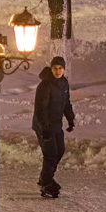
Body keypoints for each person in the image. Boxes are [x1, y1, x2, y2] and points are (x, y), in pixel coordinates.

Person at [33, 56, 75, 198]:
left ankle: (45, 178)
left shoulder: (64, 83)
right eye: (55, 68)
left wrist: (70, 119)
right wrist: (44, 129)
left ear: (64, 69)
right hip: (44, 125)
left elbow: (66, 103)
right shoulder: (45, 85)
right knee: (50, 154)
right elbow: (40, 109)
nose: (57, 71)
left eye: (60, 68)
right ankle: (46, 182)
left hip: (56, 124)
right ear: (51, 69)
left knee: (60, 151)